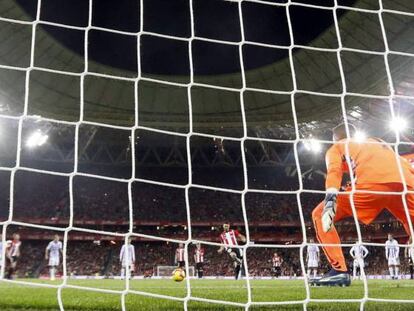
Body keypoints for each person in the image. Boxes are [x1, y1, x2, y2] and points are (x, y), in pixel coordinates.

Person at [311, 123, 414, 286]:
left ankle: (339, 271)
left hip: (374, 184)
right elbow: (400, 162)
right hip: (406, 181)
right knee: (411, 223)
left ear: (335, 138)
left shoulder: (336, 147)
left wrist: (331, 200)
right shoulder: (376, 141)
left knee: (319, 214)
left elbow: (334, 171)